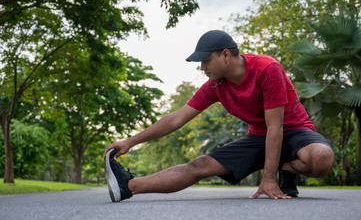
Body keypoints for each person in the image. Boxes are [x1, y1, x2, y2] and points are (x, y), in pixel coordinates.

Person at [103, 30, 334, 202]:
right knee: (200, 165)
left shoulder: (266, 69)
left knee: (321, 157)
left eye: (206, 61)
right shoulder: (215, 86)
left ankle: (284, 170)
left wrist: (269, 177)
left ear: (225, 55)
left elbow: (276, 127)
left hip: (294, 130)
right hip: (259, 138)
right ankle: (128, 186)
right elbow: (176, 119)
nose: (202, 67)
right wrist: (130, 142)